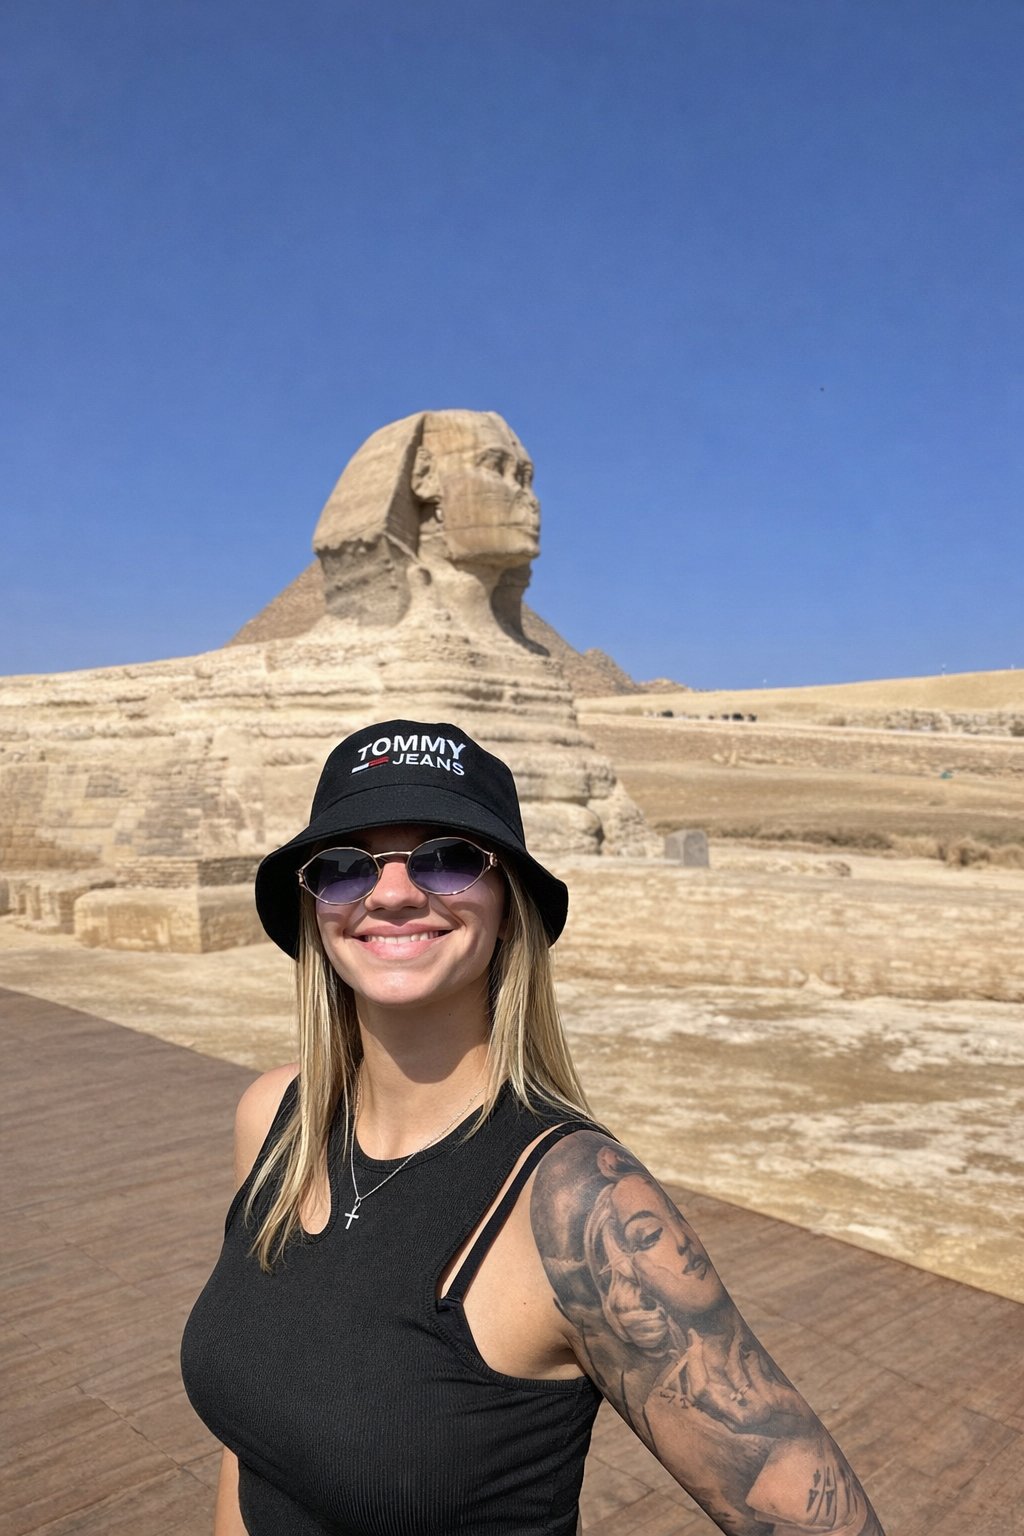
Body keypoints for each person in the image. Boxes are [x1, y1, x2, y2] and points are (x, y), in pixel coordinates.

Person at [181, 718, 885, 1536]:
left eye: (447, 858)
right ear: (314, 910)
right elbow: (251, 1450)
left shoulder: (579, 1206)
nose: (393, 893)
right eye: (343, 867)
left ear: (512, 907)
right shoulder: (277, 1118)